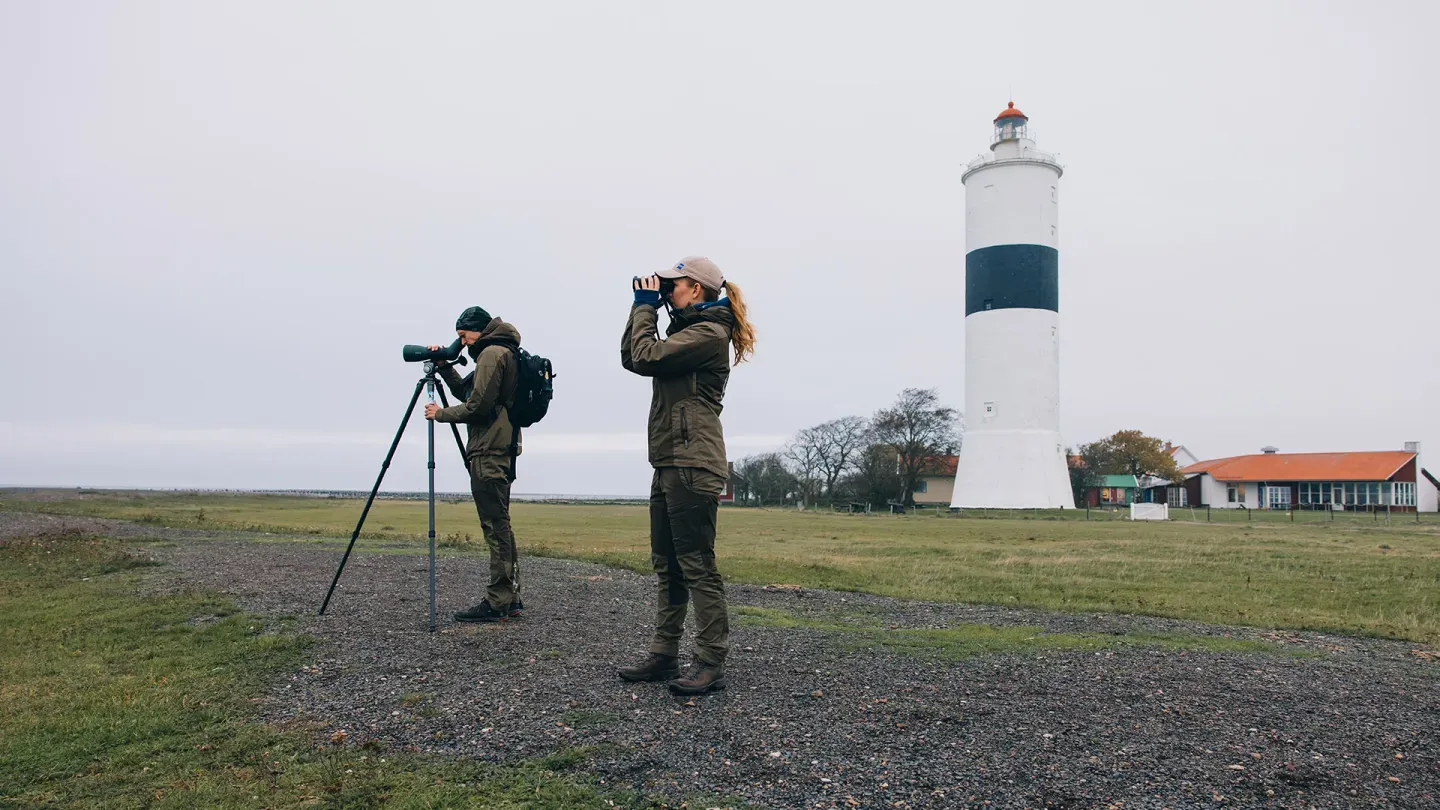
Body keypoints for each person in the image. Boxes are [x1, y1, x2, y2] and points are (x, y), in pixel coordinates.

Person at [616, 256, 756, 696]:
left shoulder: (708, 334)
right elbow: (631, 356)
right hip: (670, 459)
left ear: (696, 288)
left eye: (672, 285)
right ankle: (664, 653)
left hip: (693, 462)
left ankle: (711, 660)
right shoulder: (689, 330)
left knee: (696, 564)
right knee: (668, 564)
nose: (667, 290)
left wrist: (645, 306)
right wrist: (645, 307)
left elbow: (644, 356)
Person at [424, 305, 524, 623]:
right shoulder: (499, 351)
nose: (463, 343)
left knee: (495, 528)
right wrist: (444, 366)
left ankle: (498, 601)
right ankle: (510, 598)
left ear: (477, 329)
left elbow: (477, 406)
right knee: (501, 524)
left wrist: (440, 414)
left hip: (490, 449)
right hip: (499, 447)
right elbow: (469, 392)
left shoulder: (492, 354)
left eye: (463, 336)